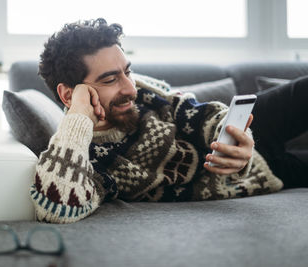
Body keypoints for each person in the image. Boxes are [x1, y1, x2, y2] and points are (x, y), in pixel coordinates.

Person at [30, 18, 307, 223]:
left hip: (239, 139)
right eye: (111, 79)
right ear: (68, 94)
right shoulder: (90, 159)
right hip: (258, 171)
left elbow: (194, 111)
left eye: (127, 71)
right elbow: (55, 208)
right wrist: (78, 118)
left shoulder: (139, 91)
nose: (130, 88)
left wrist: (234, 132)